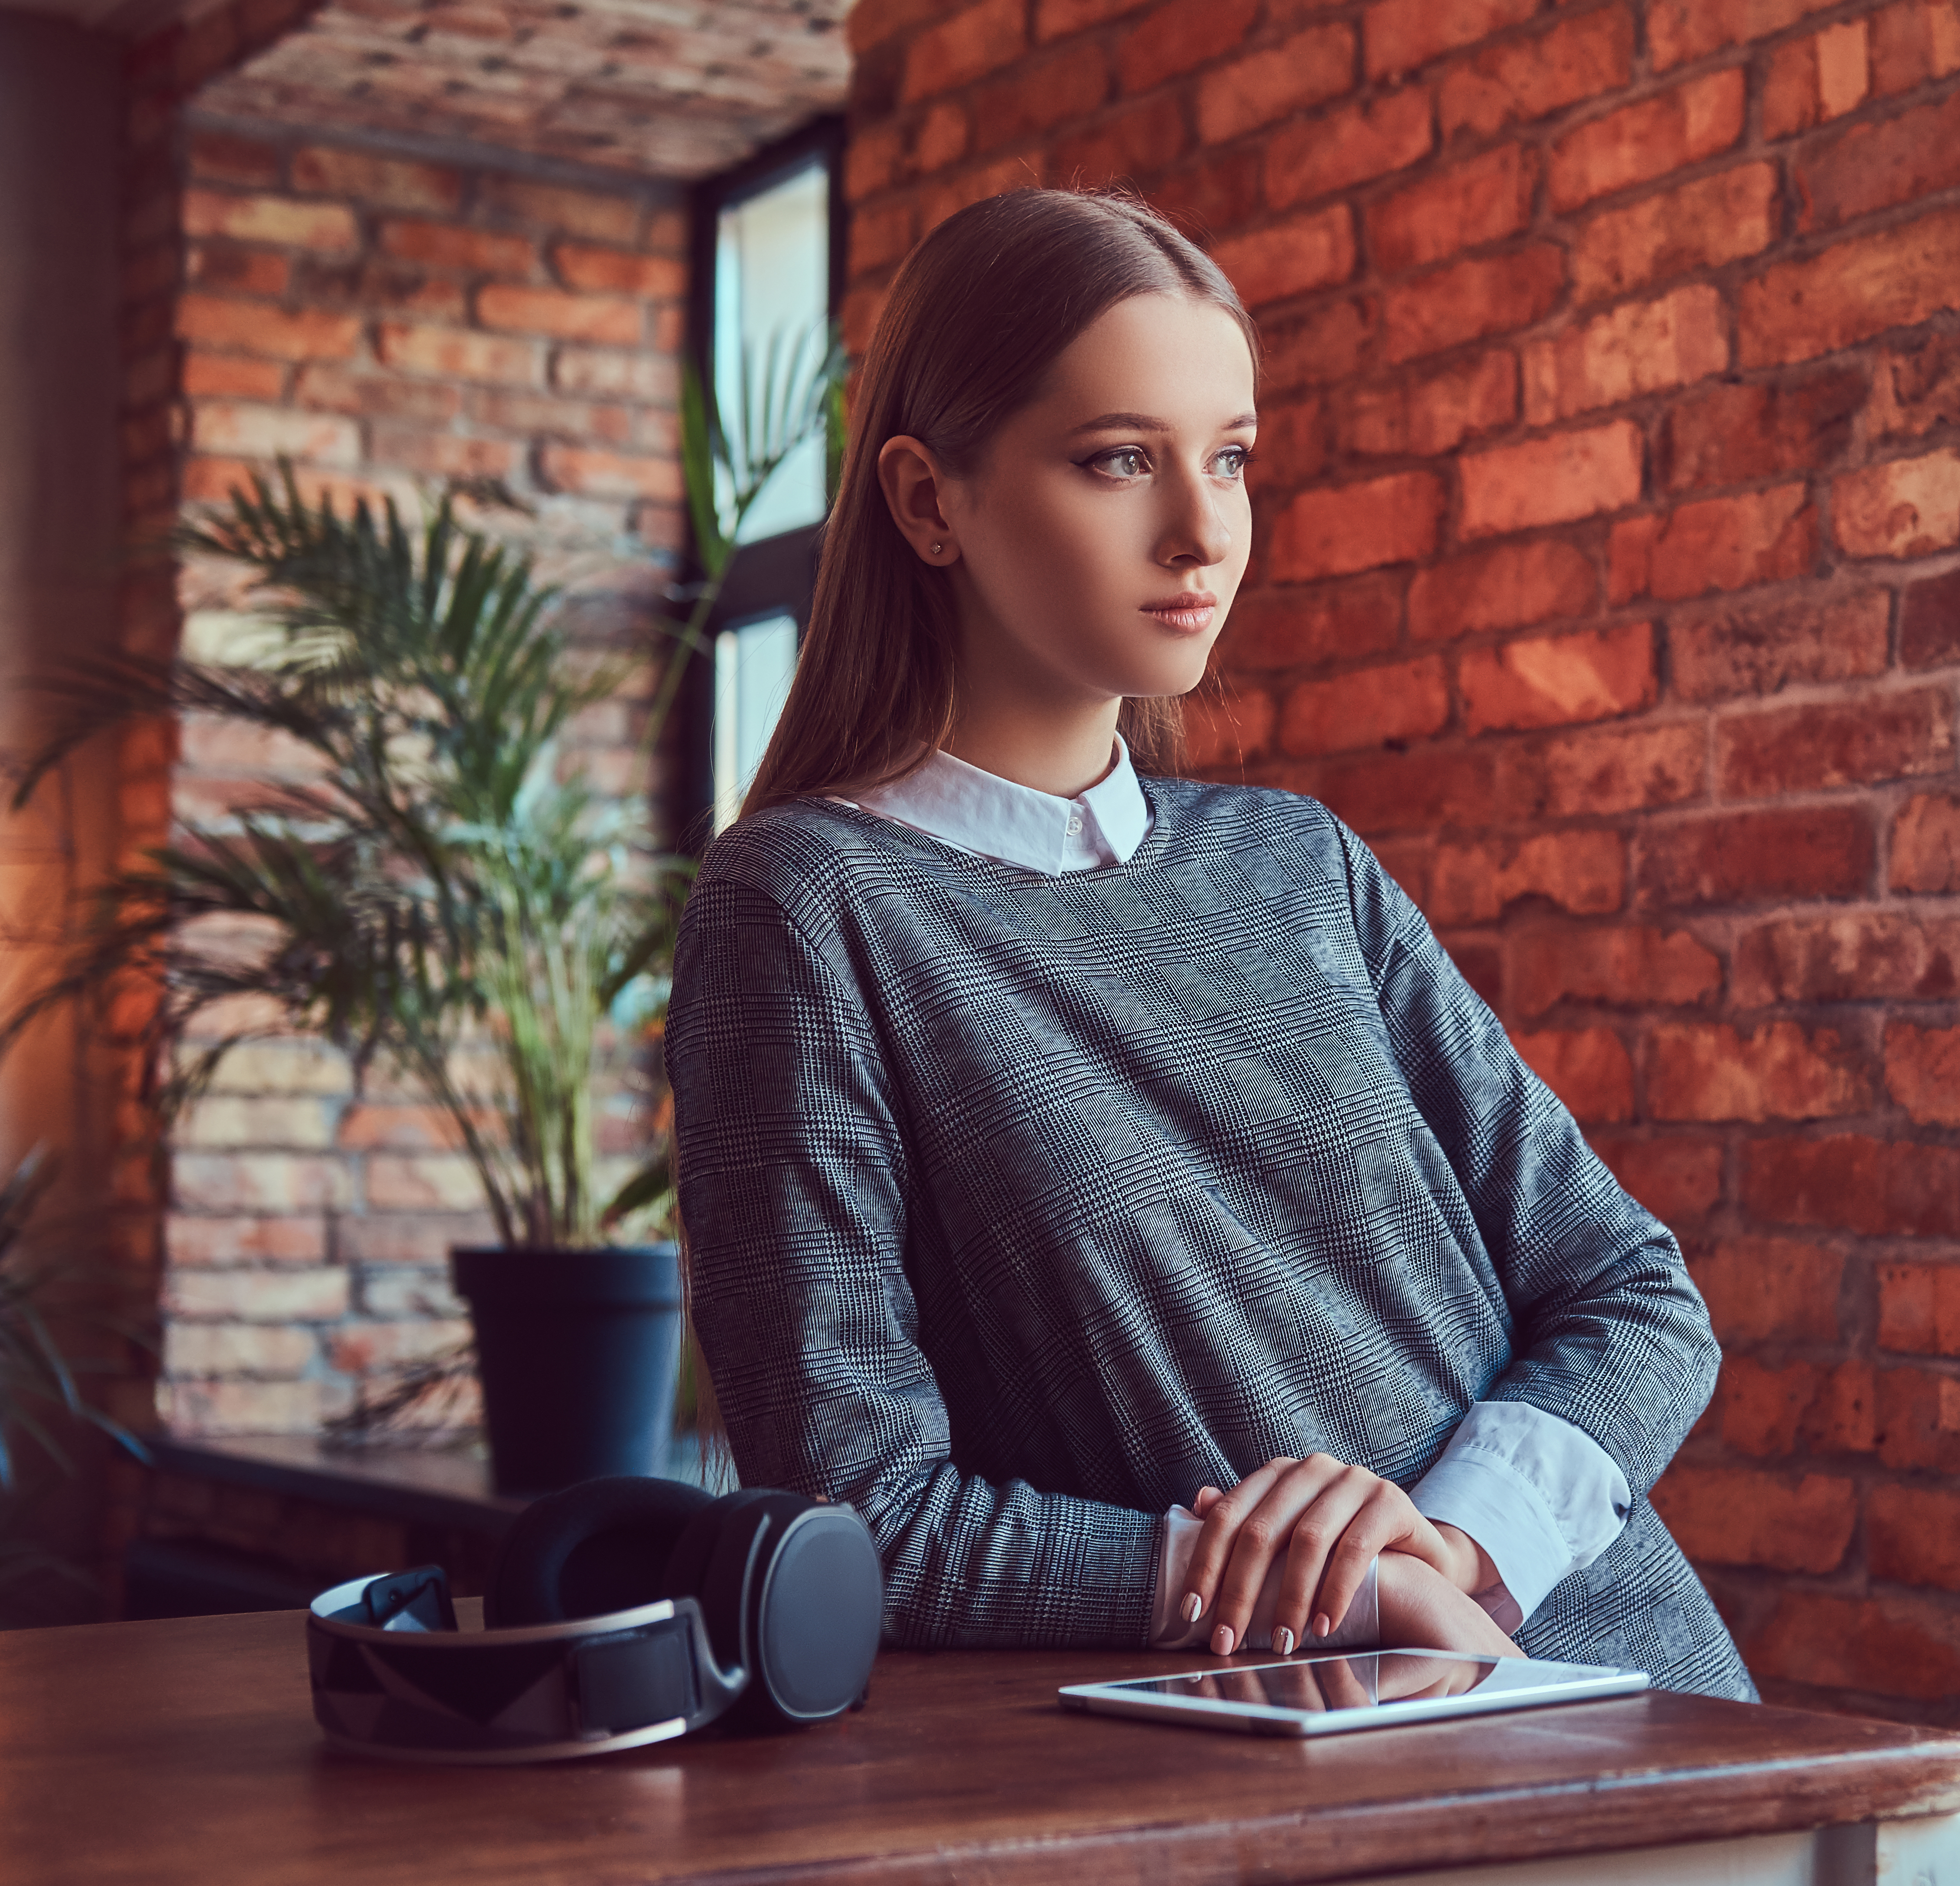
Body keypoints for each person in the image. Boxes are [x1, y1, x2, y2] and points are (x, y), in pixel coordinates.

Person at [664, 188, 1754, 1700]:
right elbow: (864, 1522)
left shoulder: (1300, 863)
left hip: (1643, 1691)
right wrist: (1327, 1589)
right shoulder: (808, 910)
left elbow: (1632, 1292)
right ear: (929, 502)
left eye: (1230, 460)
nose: (1201, 530)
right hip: (1294, 1757)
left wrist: (1452, 1544)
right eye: (1120, 460)